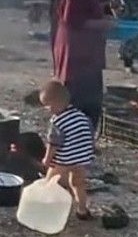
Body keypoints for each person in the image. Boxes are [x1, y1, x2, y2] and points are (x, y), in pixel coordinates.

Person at [50, 0, 113, 129]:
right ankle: (78, 140)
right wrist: (103, 25)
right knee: (83, 102)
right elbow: (73, 20)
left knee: (77, 98)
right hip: (79, 57)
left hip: (75, 54)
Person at [40, 79, 96, 221]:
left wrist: (47, 160)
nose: (47, 109)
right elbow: (89, 135)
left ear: (55, 104)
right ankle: (82, 210)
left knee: (50, 183)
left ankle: (44, 209)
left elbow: (53, 144)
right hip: (82, 159)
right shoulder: (82, 116)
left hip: (63, 160)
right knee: (78, 184)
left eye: (47, 106)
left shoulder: (57, 121)